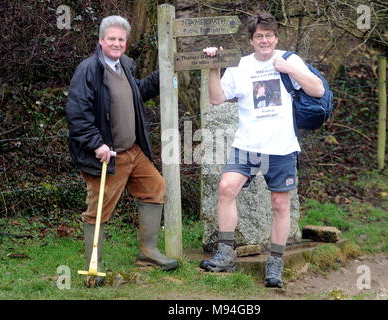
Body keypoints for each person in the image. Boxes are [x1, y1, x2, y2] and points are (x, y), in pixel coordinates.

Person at [199, 12, 324, 288]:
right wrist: (212, 66)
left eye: (269, 36)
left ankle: (275, 265)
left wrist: (289, 70)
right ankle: (225, 254)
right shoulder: (240, 66)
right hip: (247, 145)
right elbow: (217, 98)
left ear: (276, 38)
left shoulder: (290, 60)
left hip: (281, 147)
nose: (264, 40)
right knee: (226, 187)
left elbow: (316, 91)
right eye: (259, 36)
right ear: (252, 40)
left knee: (280, 204)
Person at [65, 15, 178, 286]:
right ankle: (94, 267)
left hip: (133, 151)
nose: (117, 43)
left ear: (126, 43)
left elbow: (137, 93)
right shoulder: (89, 69)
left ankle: (148, 252)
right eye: (112, 39)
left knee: (155, 188)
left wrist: (166, 70)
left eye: (121, 39)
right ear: (101, 41)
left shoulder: (124, 65)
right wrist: (96, 143)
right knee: (98, 211)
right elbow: (77, 113)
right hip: (107, 155)